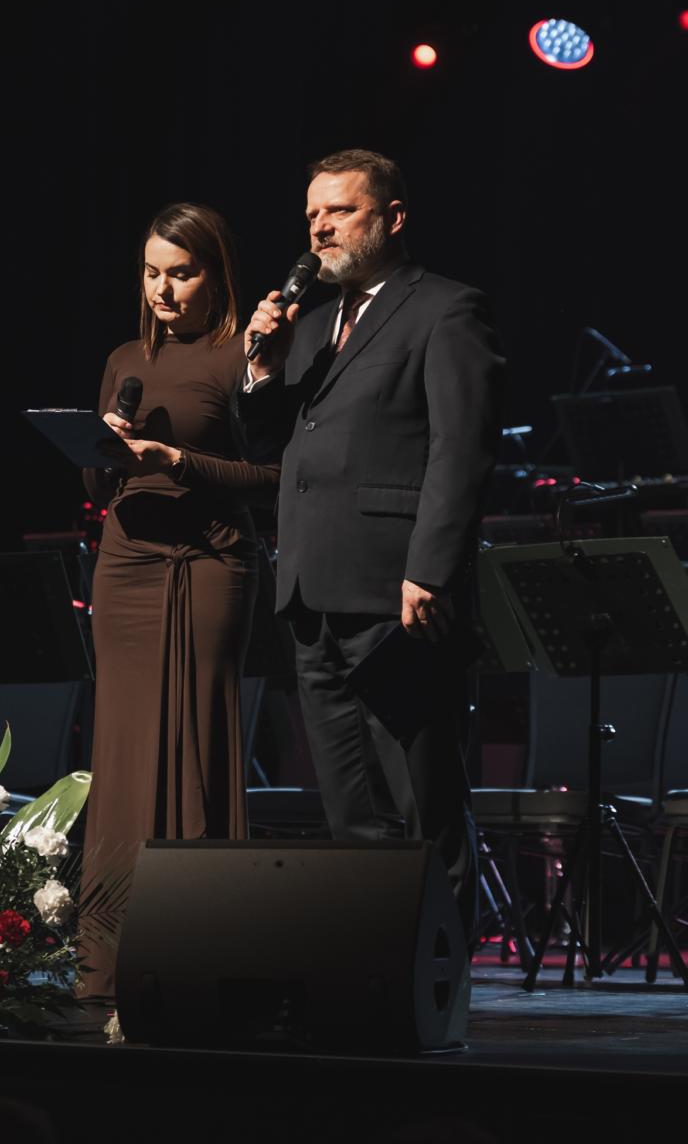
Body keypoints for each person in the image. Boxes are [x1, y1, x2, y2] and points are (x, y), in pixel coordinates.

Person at [239, 149, 504, 942]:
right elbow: (273, 447)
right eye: (312, 214)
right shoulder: (313, 324)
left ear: (392, 218)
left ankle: (441, 976)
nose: (320, 228)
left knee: (421, 797)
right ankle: (369, 966)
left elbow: (461, 449)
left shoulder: (446, 309)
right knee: (349, 807)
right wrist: (262, 368)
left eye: (340, 210)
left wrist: (430, 569)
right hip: (311, 588)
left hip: (395, 589)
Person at [80, 202, 280, 999]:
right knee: (123, 749)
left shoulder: (242, 356)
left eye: (182, 273)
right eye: (152, 273)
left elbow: (273, 479)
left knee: (199, 740)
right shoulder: (124, 357)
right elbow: (97, 483)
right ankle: (107, 959)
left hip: (208, 564)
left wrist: (178, 460)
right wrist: (101, 446)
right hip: (125, 565)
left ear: (216, 275)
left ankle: (198, 955)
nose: (163, 290)